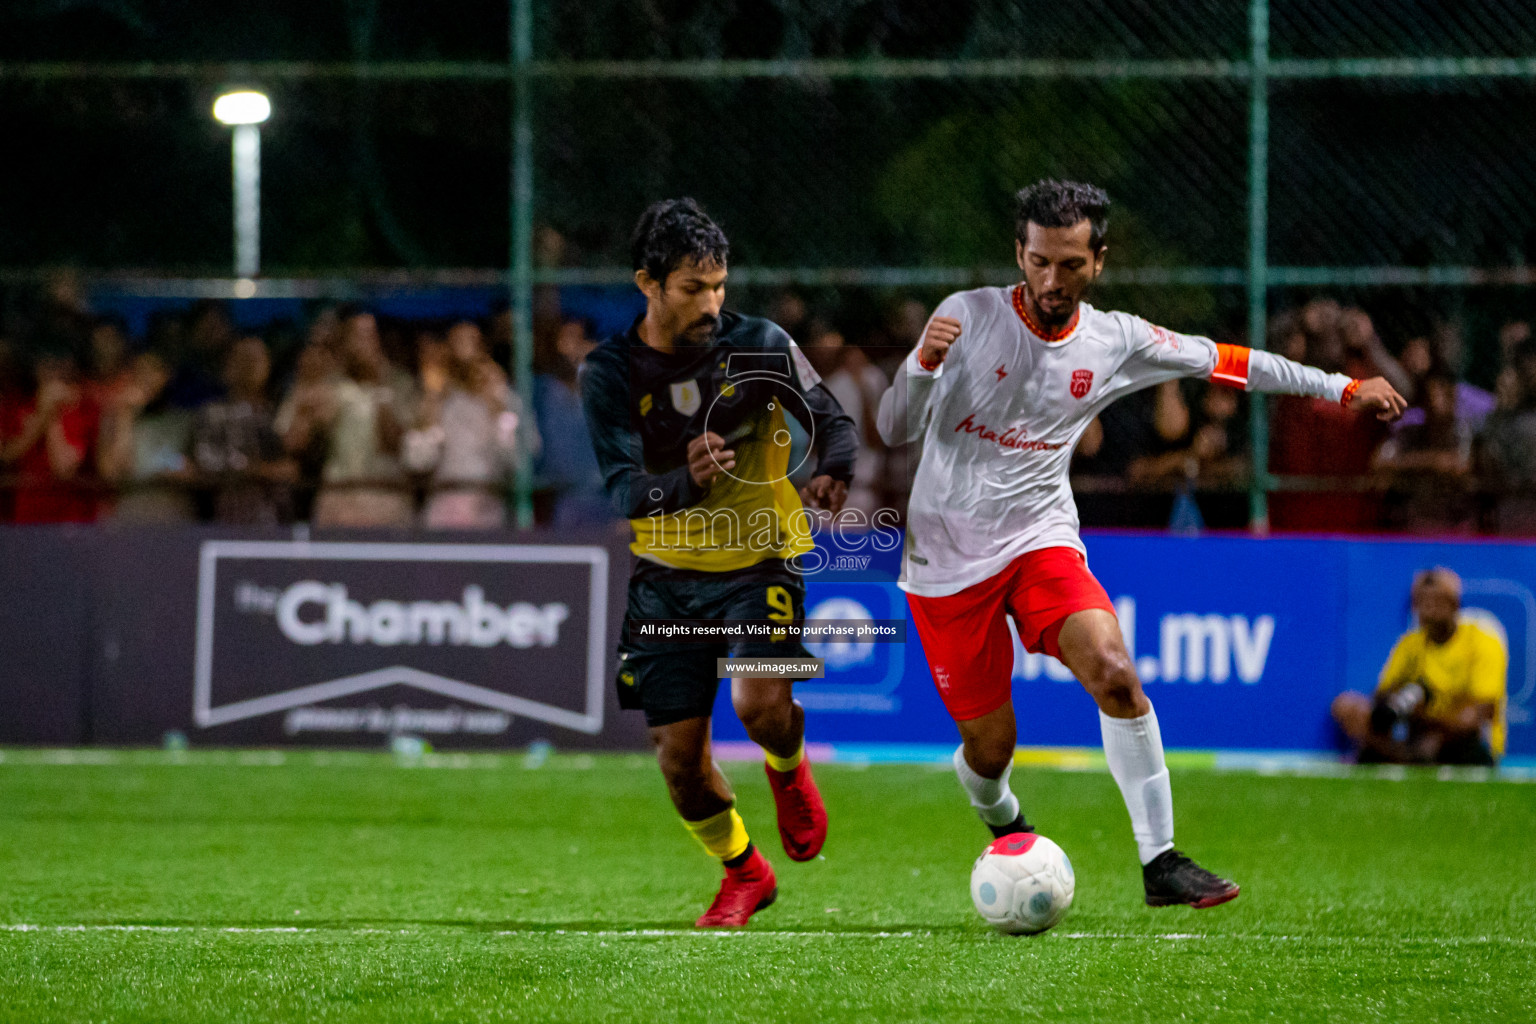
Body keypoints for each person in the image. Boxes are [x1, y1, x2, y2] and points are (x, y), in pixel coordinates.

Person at [876, 180, 1406, 909]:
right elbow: (893, 426)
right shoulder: (966, 317)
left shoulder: (1116, 339)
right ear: (1019, 255)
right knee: (990, 748)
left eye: (1068, 264)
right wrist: (921, 366)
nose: (1050, 281)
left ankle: (1160, 860)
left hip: (1040, 539)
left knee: (1116, 671)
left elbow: (1232, 362)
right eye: (1037, 262)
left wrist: (1342, 387)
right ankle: (1002, 815)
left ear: (1099, 259)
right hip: (946, 560)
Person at [580, 199, 857, 928]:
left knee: (760, 707)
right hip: (665, 580)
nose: (711, 303)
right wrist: (683, 481)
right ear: (648, 282)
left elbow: (830, 417)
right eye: (692, 288)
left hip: (760, 556)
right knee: (679, 762)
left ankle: (789, 770)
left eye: (719, 286)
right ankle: (745, 872)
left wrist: (833, 467)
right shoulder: (608, 372)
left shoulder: (760, 343)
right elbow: (622, 490)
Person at [1331, 568, 1506, 766]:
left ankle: (1396, 757)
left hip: (1461, 738)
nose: (1429, 609)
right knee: (1347, 706)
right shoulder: (1410, 643)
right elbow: (1381, 697)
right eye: (1422, 602)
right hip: (1418, 730)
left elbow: (1482, 714)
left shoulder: (1482, 640)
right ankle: (1404, 756)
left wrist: (1425, 717)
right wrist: (1401, 699)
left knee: (1457, 730)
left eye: (1438, 601)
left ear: (1454, 604)